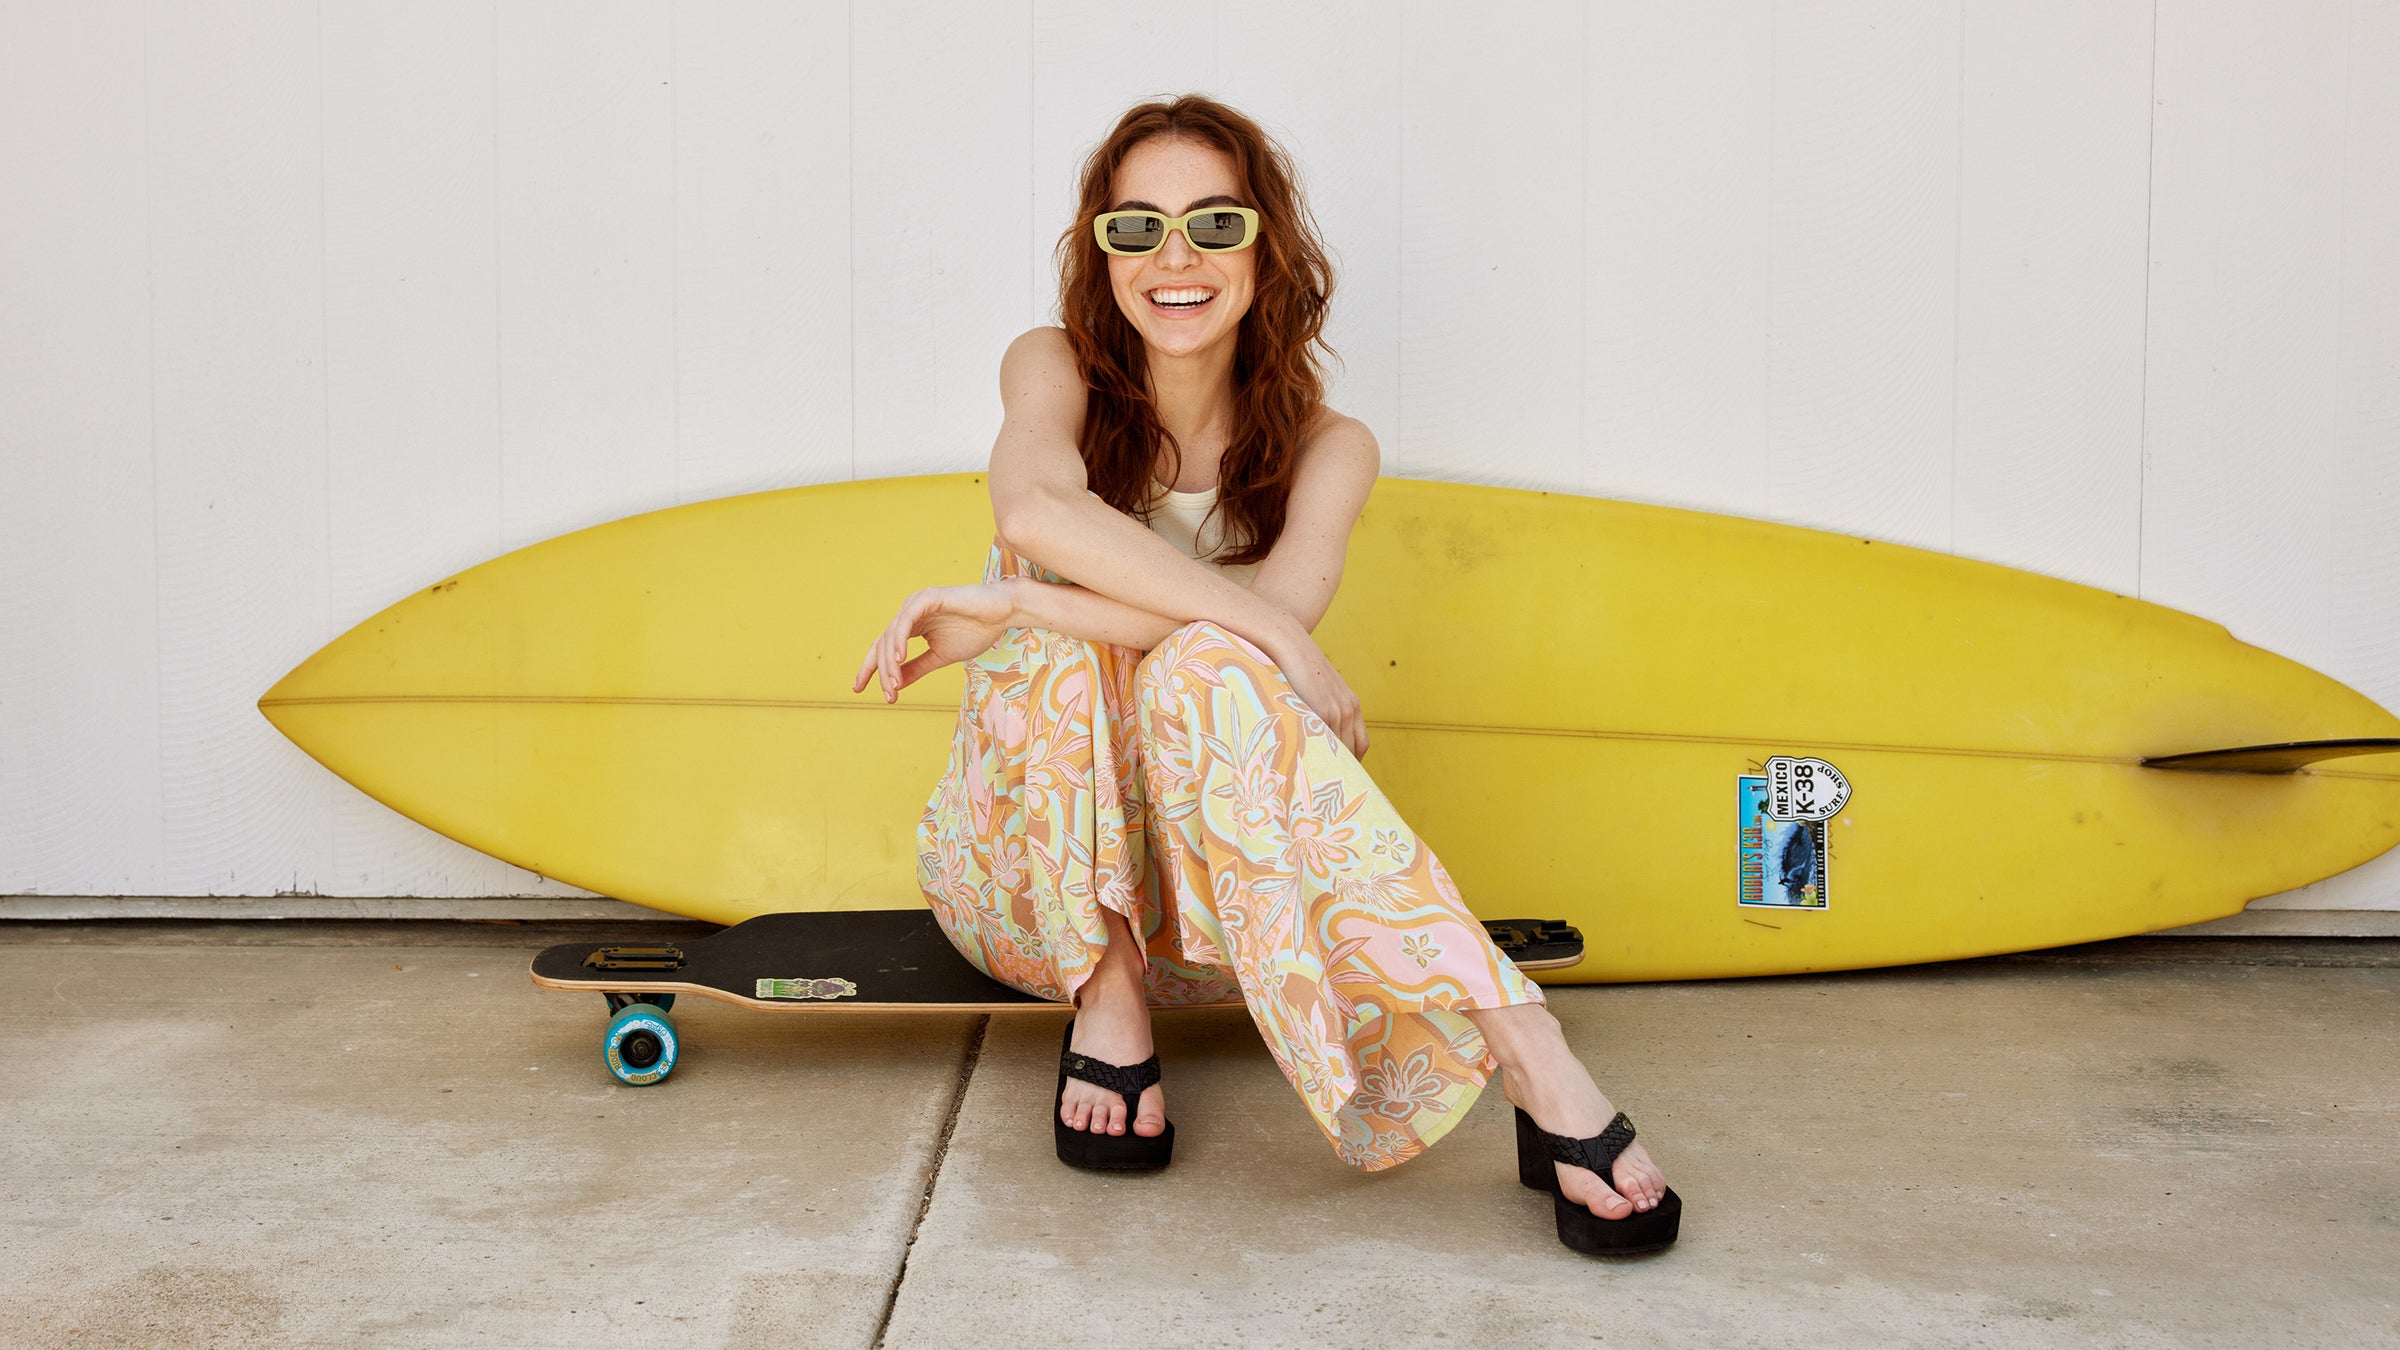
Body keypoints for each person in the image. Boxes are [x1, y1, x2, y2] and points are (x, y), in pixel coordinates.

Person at [851, 95, 1680, 1255]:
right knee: (1075, 630)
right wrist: (1064, 601)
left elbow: (1254, 641)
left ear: (1267, 247)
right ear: (1099, 253)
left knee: (1197, 658)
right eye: (1135, 228)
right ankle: (1119, 995)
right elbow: (1036, 503)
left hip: (1232, 921)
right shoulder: (1051, 368)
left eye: (1213, 225)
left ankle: (1524, 1055)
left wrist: (1030, 597)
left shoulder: (1332, 448)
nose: (1173, 259)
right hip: (1025, 893)